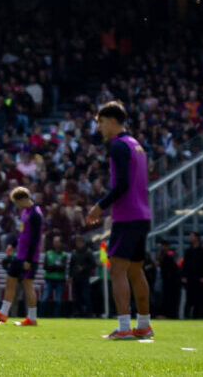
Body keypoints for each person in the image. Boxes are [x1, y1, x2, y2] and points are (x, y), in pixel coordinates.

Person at [83, 100, 153, 340]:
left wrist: (99, 206)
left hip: (128, 216)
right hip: (143, 215)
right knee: (135, 270)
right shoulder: (136, 145)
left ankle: (124, 327)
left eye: (101, 122)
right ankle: (143, 324)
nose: (99, 128)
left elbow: (121, 185)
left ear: (112, 121)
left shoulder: (118, 146)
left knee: (118, 271)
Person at [0, 185, 42, 325]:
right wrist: (13, 245)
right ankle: (5, 313)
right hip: (20, 255)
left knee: (27, 285)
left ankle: (31, 318)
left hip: (28, 257)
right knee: (12, 281)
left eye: (17, 203)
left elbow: (35, 238)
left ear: (23, 199)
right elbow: (23, 234)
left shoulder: (35, 213)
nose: (17, 206)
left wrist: (29, 259)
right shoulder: (26, 212)